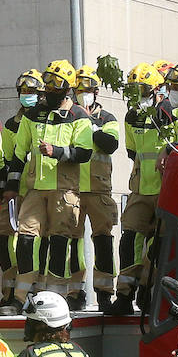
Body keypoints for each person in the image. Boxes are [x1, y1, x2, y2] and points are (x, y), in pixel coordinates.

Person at [5, 61, 93, 304]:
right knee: (25, 238)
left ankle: (55, 298)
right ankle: (19, 297)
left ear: (68, 89)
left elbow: (84, 152)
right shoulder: (33, 115)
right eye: (48, 85)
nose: (50, 90)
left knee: (59, 243)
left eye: (56, 86)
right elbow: (18, 154)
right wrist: (11, 188)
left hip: (64, 191)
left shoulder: (78, 117)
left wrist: (57, 151)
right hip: (35, 190)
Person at [114, 62, 175, 314]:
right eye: (134, 89)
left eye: (142, 88)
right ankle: (124, 297)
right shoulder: (132, 115)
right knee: (128, 241)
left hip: (164, 189)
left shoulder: (169, 111)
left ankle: (149, 295)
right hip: (140, 189)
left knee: (158, 247)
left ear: (155, 89)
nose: (137, 93)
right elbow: (132, 152)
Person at [68, 65, 121, 311]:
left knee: (103, 241)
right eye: (78, 89)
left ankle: (104, 293)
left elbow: (110, 145)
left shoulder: (107, 118)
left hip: (99, 189)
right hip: (73, 189)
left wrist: (89, 123)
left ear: (96, 91)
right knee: (72, 242)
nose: (82, 93)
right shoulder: (67, 116)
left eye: (87, 89)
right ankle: (75, 292)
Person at [0, 70, 44, 314]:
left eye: (32, 92)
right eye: (24, 92)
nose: (27, 96)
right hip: (15, 191)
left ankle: (30, 293)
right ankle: (9, 291)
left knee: (30, 242)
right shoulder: (12, 124)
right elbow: (8, 159)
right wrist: (5, 189)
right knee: (3, 239)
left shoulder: (46, 120)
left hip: (39, 190)